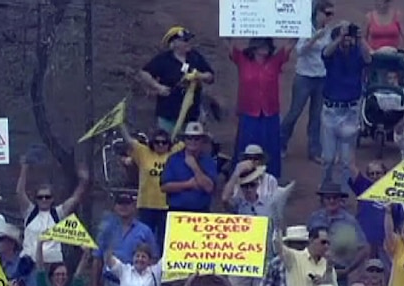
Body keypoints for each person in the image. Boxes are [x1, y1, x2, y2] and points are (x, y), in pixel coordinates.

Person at [227, 38, 293, 177]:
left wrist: (302, 24)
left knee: (271, 147)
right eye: (261, 45)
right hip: (249, 111)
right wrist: (228, 24)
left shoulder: (275, 61)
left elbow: (291, 44)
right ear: (254, 48)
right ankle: (243, 178)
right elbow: (229, 43)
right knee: (246, 146)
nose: (265, 48)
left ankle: (271, 180)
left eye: (267, 45)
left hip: (270, 112)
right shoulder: (242, 60)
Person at [280, 0, 335, 162]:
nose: (329, 17)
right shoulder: (306, 28)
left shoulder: (329, 31)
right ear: (317, 13)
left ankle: (314, 151)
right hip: (304, 76)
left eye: (331, 14)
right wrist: (313, 39)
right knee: (295, 112)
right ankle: (281, 143)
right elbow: (300, 50)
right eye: (327, 13)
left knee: (316, 116)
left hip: (321, 77)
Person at [320, 22, 372, 186]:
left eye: (349, 38)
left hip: (350, 111)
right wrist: (340, 37)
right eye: (344, 37)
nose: (347, 40)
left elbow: (369, 58)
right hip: (331, 111)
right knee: (328, 158)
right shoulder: (332, 54)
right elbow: (326, 53)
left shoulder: (357, 53)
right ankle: (326, 185)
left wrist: (361, 38)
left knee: (345, 160)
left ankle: (341, 192)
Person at [139, 27, 215, 131]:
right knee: (168, 142)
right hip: (168, 112)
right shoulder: (163, 59)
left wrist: (199, 76)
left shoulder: (195, 57)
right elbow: (144, 73)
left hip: (192, 114)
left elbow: (210, 76)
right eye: (185, 41)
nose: (188, 43)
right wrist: (158, 87)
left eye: (188, 40)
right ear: (174, 43)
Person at [16, 158, 90, 264]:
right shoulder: (29, 212)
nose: (44, 199)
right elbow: (20, 192)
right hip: (29, 263)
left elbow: (76, 198)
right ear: (35, 198)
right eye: (40, 197)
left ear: (52, 199)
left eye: (47, 197)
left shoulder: (58, 213)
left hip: (53, 265)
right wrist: (24, 169)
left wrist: (84, 181)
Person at [119, 125, 183, 242]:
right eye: (157, 142)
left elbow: (191, 142)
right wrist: (120, 125)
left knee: (165, 239)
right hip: (146, 205)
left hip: (167, 205)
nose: (160, 145)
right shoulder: (144, 152)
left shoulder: (174, 153)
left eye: (164, 142)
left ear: (169, 143)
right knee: (144, 239)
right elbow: (128, 140)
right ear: (152, 143)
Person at [160, 122, 218, 213]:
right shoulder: (173, 159)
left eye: (197, 138)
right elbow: (164, 187)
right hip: (176, 211)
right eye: (189, 138)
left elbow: (209, 187)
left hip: (201, 212)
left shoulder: (208, 161)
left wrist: (194, 166)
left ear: (202, 140)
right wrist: (188, 184)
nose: (193, 141)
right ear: (184, 140)